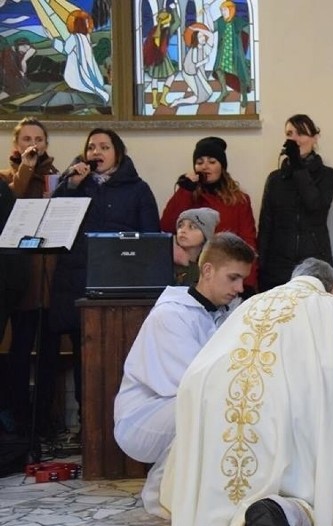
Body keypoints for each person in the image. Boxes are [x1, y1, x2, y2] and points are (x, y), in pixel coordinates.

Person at [156, 258, 333, 526]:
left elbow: (204, 364)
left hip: (216, 399)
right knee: (300, 490)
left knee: (223, 484)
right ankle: (281, 513)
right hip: (285, 409)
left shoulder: (252, 302)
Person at [114, 232, 253, 519]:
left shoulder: (223, 311)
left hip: (176, 406)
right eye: (233, 278)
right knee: (210, 405)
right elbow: (196, 382)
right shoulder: (171, 315)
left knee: (231, 405)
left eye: (243, 280)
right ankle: (161, 496)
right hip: (142, 417)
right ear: (207, 270)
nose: (240, 288)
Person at [42, 128, 160, 437]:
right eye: (91, 147)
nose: (97, 152)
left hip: (125, 285)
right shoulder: (74, 186)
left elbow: (151, 238)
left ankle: (128, 422)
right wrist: (70, 187)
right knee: (87, 355)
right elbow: (55, 224)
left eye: (104, 147)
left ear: (117, 153)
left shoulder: (138, 189)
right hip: (79, 281)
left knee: (125, 354)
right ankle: (89, 423)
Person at [1, 117, 60, 435]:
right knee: (20, 351)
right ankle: (20, 418)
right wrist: (26, 167)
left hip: (50, 279)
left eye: (39, 139)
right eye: (26, 139)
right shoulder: (7, 178)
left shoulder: (55, 179)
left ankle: (46, 420)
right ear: (16, 145)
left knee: (49, 353)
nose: (33, 144)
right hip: (20, 281)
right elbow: (12, 202)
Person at [160, 136, 258, 292]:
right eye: (200, 162)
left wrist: (248, 282)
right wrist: (185, 190)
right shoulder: (188, 195)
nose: (205, 167)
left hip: (228, 273)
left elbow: (248, 241)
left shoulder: (239, 200)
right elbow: (167, 226)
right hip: (192, 275)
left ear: (222, 166)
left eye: (212, 162)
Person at [257, 114, 333, 291]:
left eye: (300, 133)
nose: (294, 139)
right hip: (277, 267)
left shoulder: (329, 175)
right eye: (289, 134)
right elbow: (266, 225)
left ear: (314, 138)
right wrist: (259, 267)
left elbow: (315, 206)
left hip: (314, 264)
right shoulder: (275, 179)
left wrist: (297, 166)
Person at [212, 0, 251, 107]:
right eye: (222, 10)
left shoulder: (237, 21)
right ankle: (224, 91)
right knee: (218, 69)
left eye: (224, 10)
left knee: (240, 75)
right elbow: (211, 28)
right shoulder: (220, 21)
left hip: (236, 54)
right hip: (223, 52)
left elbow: (249, 29)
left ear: (231, 10)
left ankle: (244, 96)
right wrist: (206, 13)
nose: (223, 12)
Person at [142, 5, 180, 109]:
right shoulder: (167, 31)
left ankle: (154, 101)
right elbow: (178, 22)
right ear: (167, 20)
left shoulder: (154, 30)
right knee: (171, 76)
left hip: (153, 58)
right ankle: (163, 98)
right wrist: (174, 9)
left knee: (154, 79)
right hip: (163, 58)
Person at [173, 207, 220, 285]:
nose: (183, 230)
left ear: (205, 236)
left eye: (192, 227)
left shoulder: (208, 270)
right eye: (180, 225)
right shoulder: (166, 260)